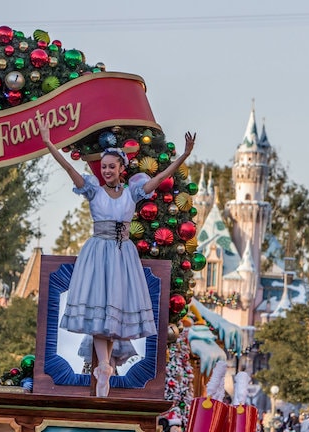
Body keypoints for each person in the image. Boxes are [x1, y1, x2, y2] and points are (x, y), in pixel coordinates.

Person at [39, 118, 196, 396]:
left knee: (113, 316)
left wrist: (183, 156)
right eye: (104, 167)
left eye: (112, 166)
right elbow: (69, 169)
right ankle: (105, 368)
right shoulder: (93, 191)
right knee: (100, 311)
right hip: (99, 253)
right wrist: (50, 143)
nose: (107, 170)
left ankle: (106, 367)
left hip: (123, 256)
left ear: (122, 169)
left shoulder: (131, 193)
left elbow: (158, 179)